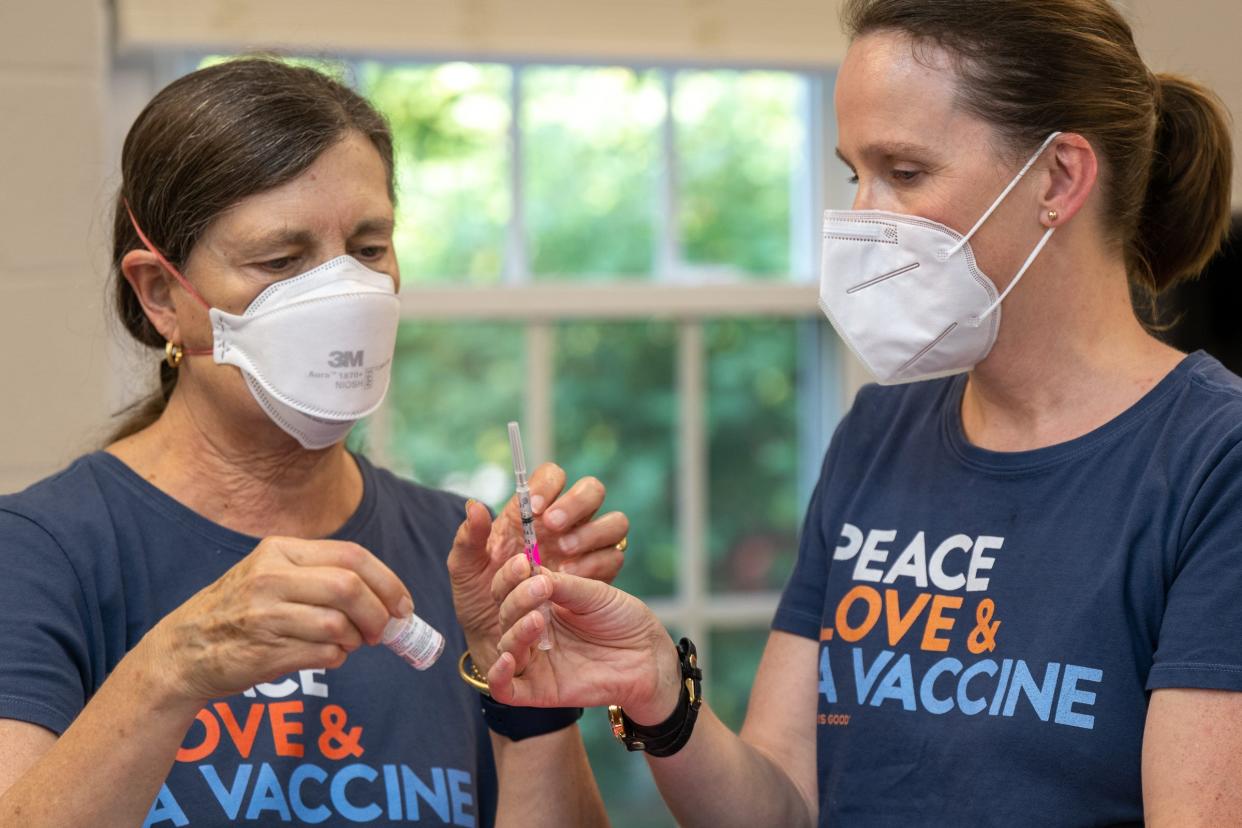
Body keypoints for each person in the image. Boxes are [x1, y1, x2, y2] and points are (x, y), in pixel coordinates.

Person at [482, 1, 1241, 825]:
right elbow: (782, 808)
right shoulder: (878, 437)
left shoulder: (1212, 463)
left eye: (905, 173)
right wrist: (660, 692)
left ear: (1058, 179)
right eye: (855, 175)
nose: (863, 219)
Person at [0, 58, 628, 827]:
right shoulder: (42, 554)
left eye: (368, 249)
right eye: (281, 260)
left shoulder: (459, 551)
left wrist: (530, 701)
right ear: (162, 294)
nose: (342, 297)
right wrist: (174, 667)